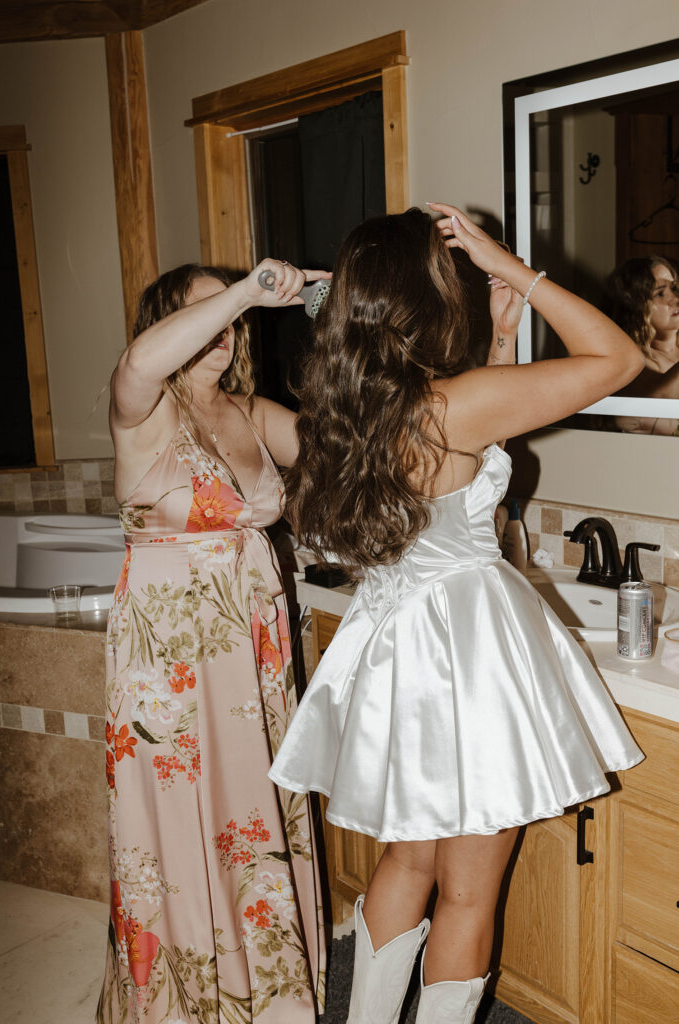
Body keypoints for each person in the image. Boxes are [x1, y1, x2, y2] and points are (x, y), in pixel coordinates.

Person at [268, 207, 645, 1024]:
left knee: (408, 860)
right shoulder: (451, 406)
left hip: (398, 646)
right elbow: (618, 356)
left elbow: (460, 470)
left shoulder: (346, 411)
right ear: (428, 296)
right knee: (469, 893)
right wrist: (512, 267)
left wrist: (500, 341)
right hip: (467, 655)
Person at [96, 260, 329, 1023]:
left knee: (252, 806)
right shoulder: (143, 409)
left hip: (249, 645)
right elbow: (137, 361)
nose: (226, 330)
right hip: (167, 654)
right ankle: (187, 996)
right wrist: (247, 291)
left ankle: (267, 987)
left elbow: (345, 458)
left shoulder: (251, 412)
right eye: (208, 315)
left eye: (232, 319)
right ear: (169, 320)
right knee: (178, 815)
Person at [607, 255, 679, 434]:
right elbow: (658, 398)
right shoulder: (629, 360)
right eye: (660, 293)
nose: (675, 299)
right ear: (635, 305)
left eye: (675, 288)